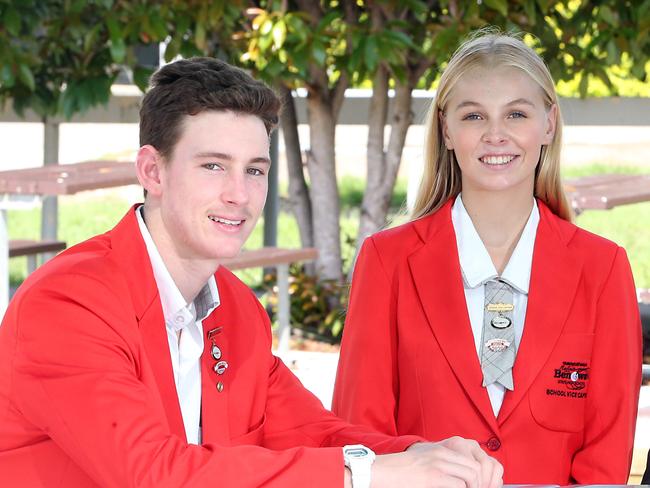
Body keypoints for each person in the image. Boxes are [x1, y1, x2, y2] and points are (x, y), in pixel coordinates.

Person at [0, 57, 503, 488]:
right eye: (213, 166)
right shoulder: (68, 303)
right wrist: (370, 474)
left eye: (255, 170)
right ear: (152, 171)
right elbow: (155, 474)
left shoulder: (236, 308)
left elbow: (316, 435)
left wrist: (428, 458)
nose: (239, 195)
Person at [332, 31, 642, 485]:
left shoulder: (603, 268)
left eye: (516, 114)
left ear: (549, 124)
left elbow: (607, 450)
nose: (496, 135)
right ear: (447, 130)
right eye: (474, 115)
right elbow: (361, 436)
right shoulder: (387, 261)